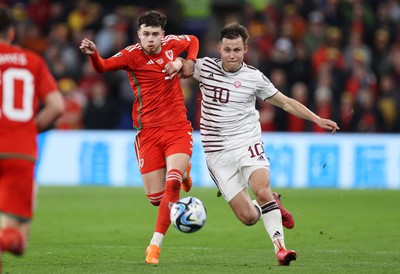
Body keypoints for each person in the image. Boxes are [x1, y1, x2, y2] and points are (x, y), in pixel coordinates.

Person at [188, 22, 339, 266]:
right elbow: (179, 66)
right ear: (218, 48)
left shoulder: (253, 77)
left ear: (245, 49)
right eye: (227, 50)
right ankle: (273, 202)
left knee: (260, 189)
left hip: (247, 142)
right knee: (248, 217)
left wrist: (317, 118)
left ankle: (281, 248)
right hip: (217, 153)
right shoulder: (204, 67)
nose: (232, 55)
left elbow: (286, 102)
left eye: (237, 50)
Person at [79, 10, 199, 265]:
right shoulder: (130, 55)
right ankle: (184, 171)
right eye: (146, 34)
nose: (151, 39)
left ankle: (154, 246)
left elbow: (192, 40)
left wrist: (187, 61)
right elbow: (102, 68)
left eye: (155, 34)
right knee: (157, 199)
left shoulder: (171, 45)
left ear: (162, 34)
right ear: (139, 35)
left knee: (172, 184)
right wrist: (94, 55)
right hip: (148, 132)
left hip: (177, 127)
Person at [0, 5, 65, 270]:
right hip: (19, 152)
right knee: (16, 241)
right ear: (12, 32)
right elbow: (57, 107)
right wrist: (27, 129)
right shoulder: (32, 61)